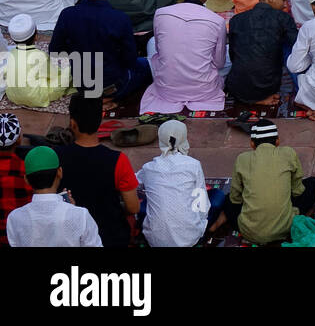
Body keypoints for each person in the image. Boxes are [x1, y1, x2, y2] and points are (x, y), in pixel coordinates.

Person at [54, 96, 139, 248]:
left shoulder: (57, 156)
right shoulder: (118, 160)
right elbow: (133, 207)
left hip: (70, 237)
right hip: (111, 238)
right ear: (100, 121)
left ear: (72, 124)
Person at [222, 120, 315, 245]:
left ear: (252, 144)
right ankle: (301, 216)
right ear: (277, 141)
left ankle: (219, 220)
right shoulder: (288, 153)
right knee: (313, 184)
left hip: (250, 231)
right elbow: (297, 191)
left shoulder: (242, 159)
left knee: (227, 199)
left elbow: (235, 199)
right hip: (285, 228)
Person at [6, 145, 102, 247]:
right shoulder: (81, 215)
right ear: (59, 172)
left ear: (26, 180)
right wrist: (72, 210)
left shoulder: (15, 218)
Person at [134, 120, 208, 248]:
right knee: (217, 196)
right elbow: (203, 204)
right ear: (183, 138)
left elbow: (132, 182)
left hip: (154, 240)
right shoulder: (193, 165)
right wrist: (200, 225)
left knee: (144, 203)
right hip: (190, 239)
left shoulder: (149, 168)